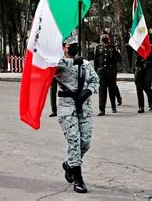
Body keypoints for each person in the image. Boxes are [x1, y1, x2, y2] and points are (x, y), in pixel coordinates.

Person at [54, 36, 99, 193]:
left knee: (85, 142)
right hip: (67, 107)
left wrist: (88, 91)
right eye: (70, 45)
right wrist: (70, 63)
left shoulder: (85, 64)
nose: (73, 47)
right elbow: (50, 70)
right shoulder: (59, 63)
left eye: (75, 45)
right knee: (74, 140)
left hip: (84, 106)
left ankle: (69, 164)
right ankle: (78, 180)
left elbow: (95, 81)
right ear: (64, 47)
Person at [94, 32, 121, 116]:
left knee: (111, 89)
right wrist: (96, 71)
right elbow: (96, 61)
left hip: (110, 71)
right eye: (103, 38)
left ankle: (113, 106)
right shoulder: (98, 48)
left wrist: (114, 63)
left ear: (109, 39)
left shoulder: (113, 48)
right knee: (102, 90)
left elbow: (119, 58)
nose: (104, 39)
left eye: (106, 37)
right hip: (101, 71)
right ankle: (102, 109)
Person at [134, 44, 152, 113]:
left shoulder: (151, 47)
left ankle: (150, 102)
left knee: (147, 87)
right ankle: (141, 107)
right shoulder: (137, 46)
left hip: (148, 69)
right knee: (139, 89)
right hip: (139, 69)